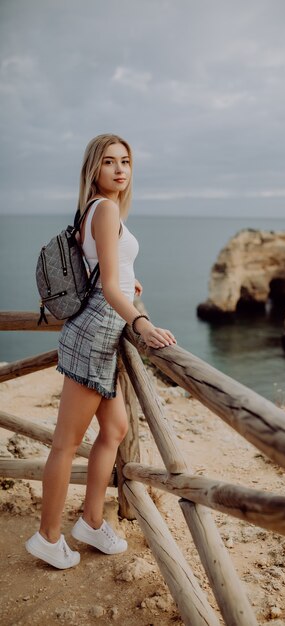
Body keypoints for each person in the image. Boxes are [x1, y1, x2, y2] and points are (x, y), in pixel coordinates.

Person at [25, 134, 176, 569]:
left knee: (115, 429)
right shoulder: (105, 208)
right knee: (65, 445)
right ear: (94, 169)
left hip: (98, 331)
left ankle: (91, 521)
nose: (119, 169)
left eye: (125, 161)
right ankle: (47, 537)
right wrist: (142, 322)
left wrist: (132, 281)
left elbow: (107, 269)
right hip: (94, 334)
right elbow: (108, 286)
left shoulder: (93, 210)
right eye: (109, 162)